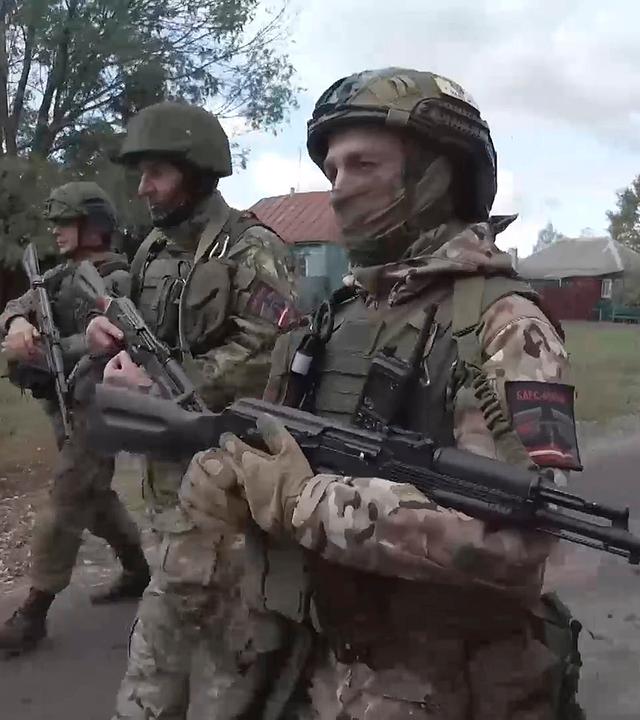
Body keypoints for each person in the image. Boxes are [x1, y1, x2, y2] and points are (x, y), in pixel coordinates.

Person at [181, 68, 585, 719]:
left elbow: (519, 542)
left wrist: (308, 503)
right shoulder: (341, 312)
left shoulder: (502, 324)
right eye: (332, 169)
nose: (337, 190)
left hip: (443, 685)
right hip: (315, 657)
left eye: (362, 165)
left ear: (437, 176)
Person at [84, 101, 300, 719]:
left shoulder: (252, 248)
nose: (144, 187)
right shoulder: (153, 249)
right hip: (162, 477)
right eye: (142, 173)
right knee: (171, 628)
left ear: (198, 171)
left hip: (229, 481)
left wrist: (179, 387)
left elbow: (271, 346)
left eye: (157, 172)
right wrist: (109, 337)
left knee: (224, 650)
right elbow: (137, 324)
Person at [0, 181, 149, 657]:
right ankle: (137, 570)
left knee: (66, 499)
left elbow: (118, 341)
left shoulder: (116, 280)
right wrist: (18, 323)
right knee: (95, 497)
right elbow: (20, 304)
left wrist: (57, 350)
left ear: (93, 225)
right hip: (65, 407)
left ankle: (33, 613)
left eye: (65, 221)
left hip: (98, 406)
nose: (55, 230)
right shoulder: (60, 274)